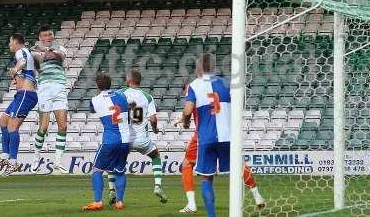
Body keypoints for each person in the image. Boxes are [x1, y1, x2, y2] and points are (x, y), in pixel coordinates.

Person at [178, 76, 265, 213]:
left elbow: (189, 111)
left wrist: (184, 120)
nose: (185, 95)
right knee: (239, 164)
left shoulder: (193, 92)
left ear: (187, 87)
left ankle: (192, 204)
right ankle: (257, 196)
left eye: (185, 92)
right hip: (226, 133)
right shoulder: (215, 91)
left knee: (187, 165)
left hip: (204, 135)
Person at [107, 69, 168, 204]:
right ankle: (158, 186)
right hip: (142, 138)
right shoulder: (147, 96)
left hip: (124, 138)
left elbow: (111, 108)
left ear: (129, 80)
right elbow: (152, 119)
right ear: (139, 82)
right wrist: (155, 129)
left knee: (114, 161)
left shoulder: (120, 93)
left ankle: (112, 191)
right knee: (155, 155)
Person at [83, 72, 130, 211]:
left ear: (97, 85)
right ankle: (120, 202)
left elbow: (92, 110)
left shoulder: (95, 100)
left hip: (110, 139)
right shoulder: (122, 96)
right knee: (120, 171)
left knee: (97, 170)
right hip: (126, 140)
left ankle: (98, 201)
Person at [0, 33, 38, 175]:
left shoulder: (21, 51)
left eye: (10, 41)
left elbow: (22, 62)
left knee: (12, 127)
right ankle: (5, 156)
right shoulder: (24, 52)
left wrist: (15, 69)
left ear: (15, 41)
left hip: (26, 95)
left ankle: (13, 162)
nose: (9, 45)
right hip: (21, 95)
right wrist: (16, 75)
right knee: (3, 122)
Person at [30, 24, 69, 174]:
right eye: (45, 35)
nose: (48, 37)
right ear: (40, 37)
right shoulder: (33, 50)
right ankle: (36, 158)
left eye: (50, 35)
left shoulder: (61, 47)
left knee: (63, 126)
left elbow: (59, 56)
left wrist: (45, 51)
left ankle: (58, 162)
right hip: (45, 88)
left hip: (59, 87)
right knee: (44, 127)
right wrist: (45, 53)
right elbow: (40, 59)